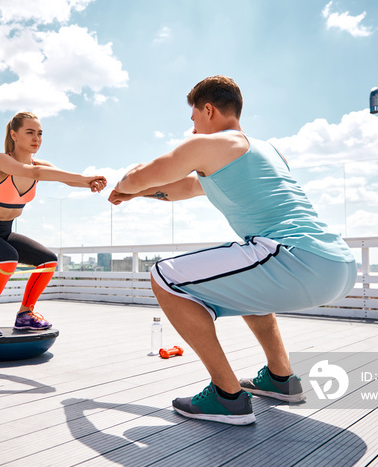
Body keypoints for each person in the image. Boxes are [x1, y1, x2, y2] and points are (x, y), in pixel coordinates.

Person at [108, 76, 356, 425]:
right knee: (244, 283)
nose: (192, 128)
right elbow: (183, 187)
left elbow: (142, 175)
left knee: (163, 276)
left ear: (207, 109)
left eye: (193, 118)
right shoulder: (263, 149)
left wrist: (125, 185)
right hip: (336, 263)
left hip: (298, 258)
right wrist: (139, 193)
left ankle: (226, 396)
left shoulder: (212, 144)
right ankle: (280, 378)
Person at [0, 112, 107, 336]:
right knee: (8, 258)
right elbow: (34, 172)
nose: (36, 138)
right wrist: (85, 178)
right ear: (14, 135)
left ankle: (25, 315)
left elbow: (63, 178)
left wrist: (90, 184)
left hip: (3, 233)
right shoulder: (1, 160)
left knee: (48, 260)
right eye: (30, 132)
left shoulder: (40, 165)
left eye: (39, 133)